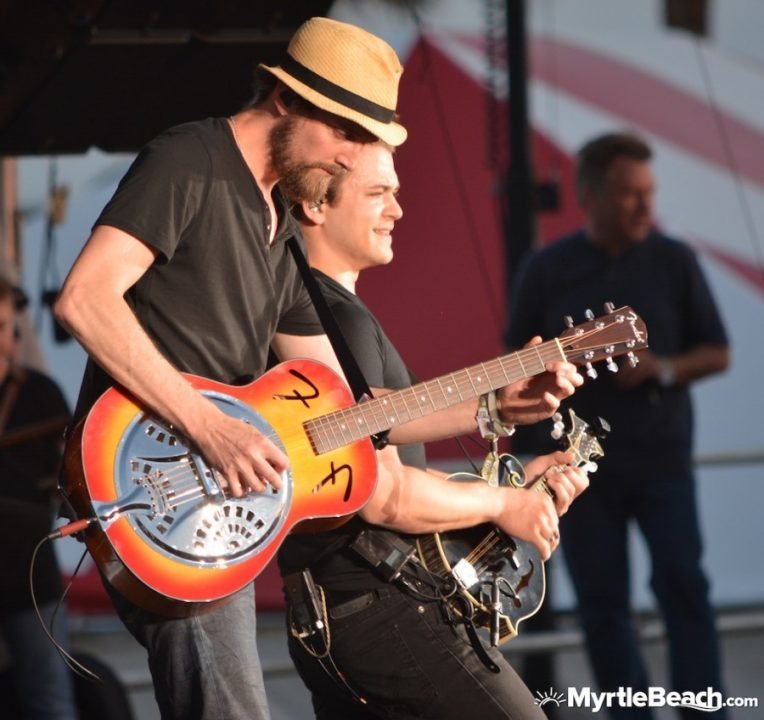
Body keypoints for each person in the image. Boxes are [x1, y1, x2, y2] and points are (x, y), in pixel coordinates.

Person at [53, 16, 582, 720]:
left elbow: (352, 415)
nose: (349, 160)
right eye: (345, 135)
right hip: (154, 484)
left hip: (219, 504)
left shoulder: (279, 230)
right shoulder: (190, 159)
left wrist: (493, 406)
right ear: (286, 100)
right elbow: (84, 298)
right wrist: (211, 428)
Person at [277, 141, 589, 720]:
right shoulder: (334, 320)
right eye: (378, 194)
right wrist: (504, 503)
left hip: (335, 611)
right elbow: (384, 497)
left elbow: (387, 471)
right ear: (315, 205)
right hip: (380, 607)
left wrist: (518, 485)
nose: (397, 210)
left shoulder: (330, 315)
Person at [505, 132, 730, 719]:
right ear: (591, 196)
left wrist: (664, 368)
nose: (645, 206)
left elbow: (718, 351)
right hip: (580, 472)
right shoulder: (548, 269)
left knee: (684, 588)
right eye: (631, 193)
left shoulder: (674, 260)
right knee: (603, 607)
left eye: (649, 192)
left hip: (662, 460)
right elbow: (513, 361)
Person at [0, 276, 78, 720]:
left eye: (6, 327)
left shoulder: (40, 393)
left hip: (30, 578)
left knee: (49, 702)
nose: (5, 340)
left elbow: (70, 474)